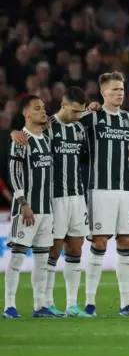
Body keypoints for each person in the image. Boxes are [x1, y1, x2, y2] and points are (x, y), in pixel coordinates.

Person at [10, 87, 90, 317]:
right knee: (52, 251)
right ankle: (46, 302)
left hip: (77, 195)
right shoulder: (48, 126)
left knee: (75, 248)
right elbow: (26, 131)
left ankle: (72, 304)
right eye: (75, 112)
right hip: (54, 198)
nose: (77, 117)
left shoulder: (79, 130)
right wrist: (13, 132)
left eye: (80, 113)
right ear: (63, 105)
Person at [79, 72, 129, 316]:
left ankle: (126, 303)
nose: (119, 93)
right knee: (99, 242)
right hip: (100, 189)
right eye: (114, 90)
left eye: (121, 89)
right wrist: (85, 110)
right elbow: (67, 125)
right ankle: (89, 303)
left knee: (127, 241)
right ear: (103, 93)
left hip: (125, 190)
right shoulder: (93, 118)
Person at [3, 95, 55, 318]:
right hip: (26, 209)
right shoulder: (20, 139)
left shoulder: (46, 138)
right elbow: (13, 172)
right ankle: (9, 306)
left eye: (43, 108)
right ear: (26, 113)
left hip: (46, 209)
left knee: (42, 259)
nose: (43, 111)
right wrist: (23, 203)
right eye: (37, 108)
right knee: (17, 256)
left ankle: (39, 305)